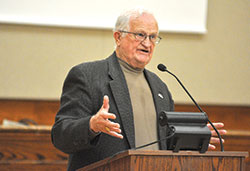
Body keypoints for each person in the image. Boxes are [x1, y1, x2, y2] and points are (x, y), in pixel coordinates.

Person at [51, 9, 226, 171]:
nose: (147, 43)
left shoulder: (160, 87)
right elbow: (61, 135)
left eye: (153, 37)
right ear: (118, 37)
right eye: (140, 35)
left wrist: (191, 138)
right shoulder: (87, 76)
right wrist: (91, 125)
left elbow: (161, 142)